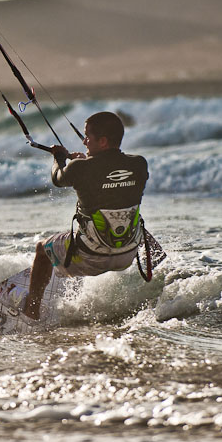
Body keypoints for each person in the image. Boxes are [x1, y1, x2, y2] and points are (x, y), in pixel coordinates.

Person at [24, 111, 149, 319]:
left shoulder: (80, 168)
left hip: (91, 257)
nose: (84, 141)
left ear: (102, 141)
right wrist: (86, 163)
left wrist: (60, 159)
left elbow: (58, 177)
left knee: (42, 249)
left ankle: (31, 310)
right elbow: (109, 180)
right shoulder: (139, 164)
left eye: (87, 137)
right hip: (126, 254)